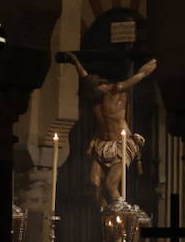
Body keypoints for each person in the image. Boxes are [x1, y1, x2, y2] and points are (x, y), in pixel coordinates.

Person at [54, 51, 157, 205]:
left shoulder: (118, 89)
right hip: (102, 144)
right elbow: (82, 72)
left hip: (120, 145)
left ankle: (124, 218)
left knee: (110, 186)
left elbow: (140, 74)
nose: (89, 100)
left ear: (97, 87)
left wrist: (157, 60)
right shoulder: (94, 94)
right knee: (93, 183)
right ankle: (106, 216)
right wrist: (72, 58)